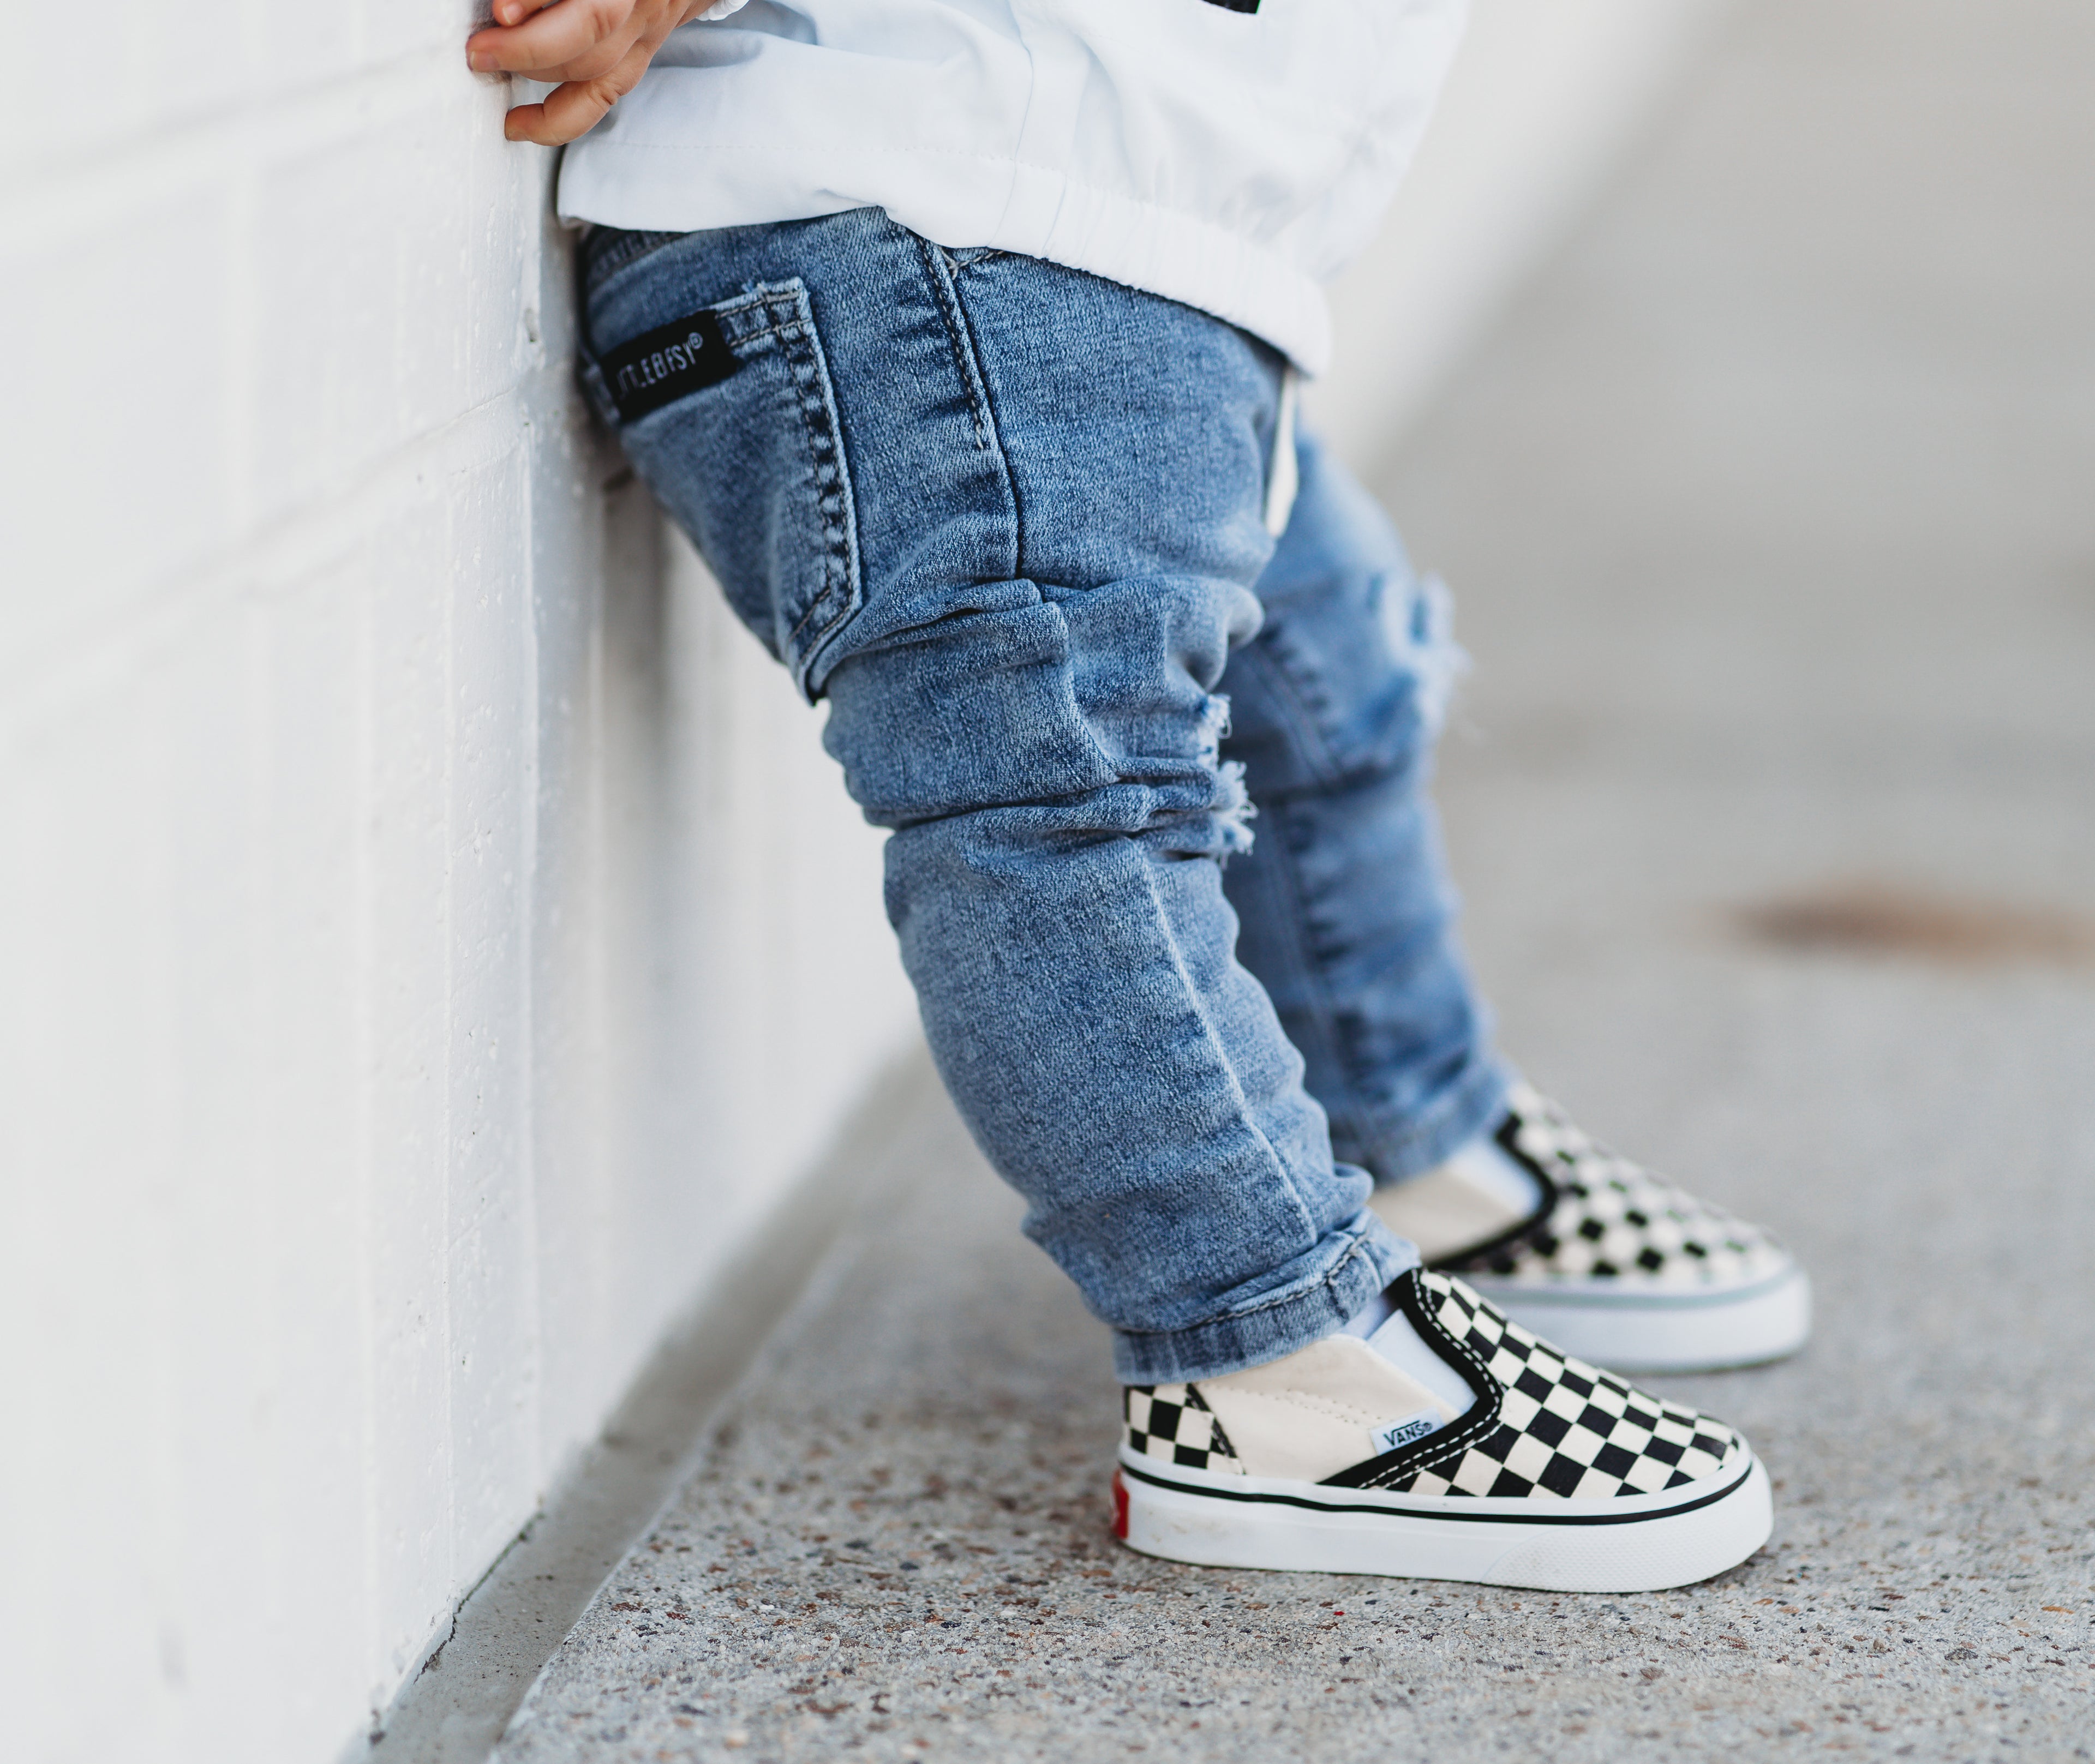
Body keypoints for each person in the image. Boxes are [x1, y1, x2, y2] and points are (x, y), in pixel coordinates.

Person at [467, 0, 1808, 1592]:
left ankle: (1415, 1139)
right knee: (1067, 783)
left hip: (1152, 222)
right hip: (947, 198)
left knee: (1326, 678)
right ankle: (1274, 1358)